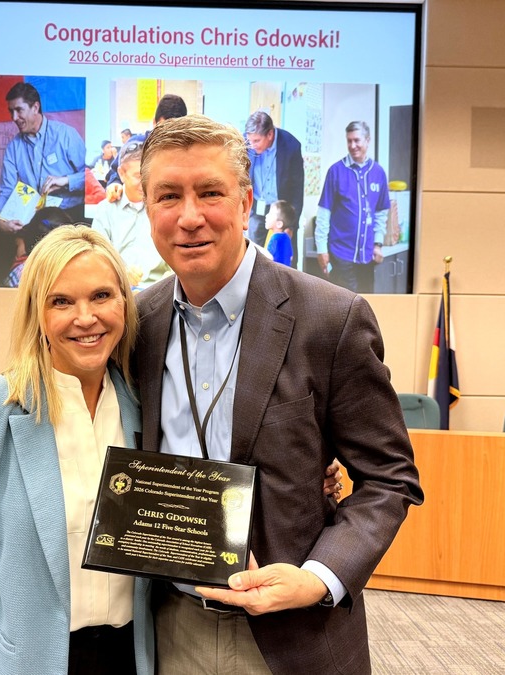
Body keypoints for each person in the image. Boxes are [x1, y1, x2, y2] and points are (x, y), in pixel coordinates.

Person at [136, 114, 423, 675]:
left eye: (210, 193)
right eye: (168, 195)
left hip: (292, 637)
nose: (189, 216)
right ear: (146, 207)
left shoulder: (330, 319)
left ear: (246, 203)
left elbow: (390, 478)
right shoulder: (137, 323)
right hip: (167, 626)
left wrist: (317, 578)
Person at [0, 226, 154, 675]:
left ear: (125, 303)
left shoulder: (142, 408)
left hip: (130, 656)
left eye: (102, 295)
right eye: (61, 301)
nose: (86, 318)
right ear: (36, 313)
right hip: (25, 660)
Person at [0, 82, 87, 235]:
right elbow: (6, 190)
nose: (14, 117)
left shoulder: (65, 135)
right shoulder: (13, 147)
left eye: (18, 110)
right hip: (35, 220)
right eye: (11, 111)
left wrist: (66, 181)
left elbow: (90, 177)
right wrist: (1, 220)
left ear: (35, 107)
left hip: (70, 217)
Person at [314, 120, 390, 293]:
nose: (353, 145)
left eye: (357, 140)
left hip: (367, 256)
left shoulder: (378, 173)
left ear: (367, 140)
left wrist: (378, 243)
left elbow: (381, 213)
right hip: (341, 255)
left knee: (366, 306)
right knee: (344, 309)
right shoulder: (336, 171)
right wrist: (322, 250)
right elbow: (323, 214)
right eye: (349, 141)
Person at [91, 139, 171, 286]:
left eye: (148, 176)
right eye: (138, 177)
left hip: (159, 294)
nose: (145, 183)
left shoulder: (164, 208)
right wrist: (120, 272)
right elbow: (96, 258)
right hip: (117, 291)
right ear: (121, 174)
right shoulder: (106, 211)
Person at [106, 94, 187, 203]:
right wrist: (114, 183)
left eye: (175, 131)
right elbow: (115, 170)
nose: (168, 136)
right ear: (154, 122)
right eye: (163, 129)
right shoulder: (136, 144)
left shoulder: (188, 150)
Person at [244, 111, 304, 254]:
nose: (252, 146)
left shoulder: (291, 146)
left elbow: (297, 189)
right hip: (256, 209)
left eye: (257, 141)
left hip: (280, 212)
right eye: (249, 141)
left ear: (270, 135)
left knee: (282, 259)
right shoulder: (246, 143)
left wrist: (291, 224)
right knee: (253, 256)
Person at [263, 199, 295, 267]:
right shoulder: (286, 237)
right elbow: (291, 257)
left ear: (279, 224)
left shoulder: (275, 238)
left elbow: (268, 258)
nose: (266, 216)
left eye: (270, 214)